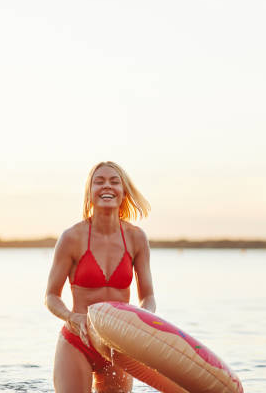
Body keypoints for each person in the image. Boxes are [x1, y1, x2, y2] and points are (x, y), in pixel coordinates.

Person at [45, 161, 156, 393]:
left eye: (114, 181)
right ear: (90, 192)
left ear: (123, 191)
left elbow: (148, 296)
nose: (107, 186)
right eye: (99, 181)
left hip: (118, 345)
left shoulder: (136, 239)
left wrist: (139, 322)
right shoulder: (71, 238)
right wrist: (70, 317)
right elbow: (51, 296)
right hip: (78, 340)